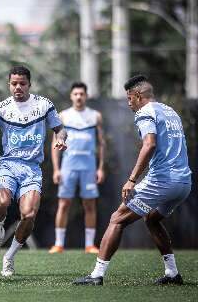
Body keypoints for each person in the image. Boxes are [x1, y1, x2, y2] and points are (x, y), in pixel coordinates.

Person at [73, 75, 191, 286]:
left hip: (162, 180)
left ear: (138, 96)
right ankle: (172, 273)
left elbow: (149, 144)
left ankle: (96, 275)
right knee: (152, 219)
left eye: (129, 99)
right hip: (184, 182)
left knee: (117, 219)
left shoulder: (145, 112)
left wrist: (131, 179)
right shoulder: (170, 111)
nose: (129, 104)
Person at [0, 65, 67, 277]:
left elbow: (59, 129)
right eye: (14, 84)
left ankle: (9, 257)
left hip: (32, 169)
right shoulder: (2, 109)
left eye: (22, 83)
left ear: (29, 84)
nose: (18, 87)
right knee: (0, 204)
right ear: (9, 85)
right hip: (8, 165)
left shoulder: (44, 105)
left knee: (28, 215)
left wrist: (61, 140)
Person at [49, 82, 105, 254]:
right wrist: (56, 169)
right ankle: (58, 244)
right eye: (76, 94)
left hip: (89, 167)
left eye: (82, 94)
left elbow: (102, 144)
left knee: (89, 205)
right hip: (68, 166)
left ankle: (89, 245)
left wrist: (101, 168)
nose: (79, 97)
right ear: (71, 96)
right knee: (64, 204)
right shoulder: (63, 116)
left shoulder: (95, 116)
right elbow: (54, 143)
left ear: (86, 96)